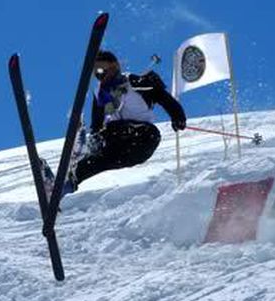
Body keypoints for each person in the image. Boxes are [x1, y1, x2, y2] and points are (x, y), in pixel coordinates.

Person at [49, 51, 187, 196]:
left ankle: (84, 150)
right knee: (97, 161)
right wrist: (94, 138)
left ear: (115, 66)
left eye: (102, 69)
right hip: (122, 147)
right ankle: (66, 186)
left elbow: (162, 97)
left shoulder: (133, 82)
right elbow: (96, 123)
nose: (100, 75)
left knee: (111, 131)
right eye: (96, 73)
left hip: (144, 138)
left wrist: (177, 116)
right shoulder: (100, 94)